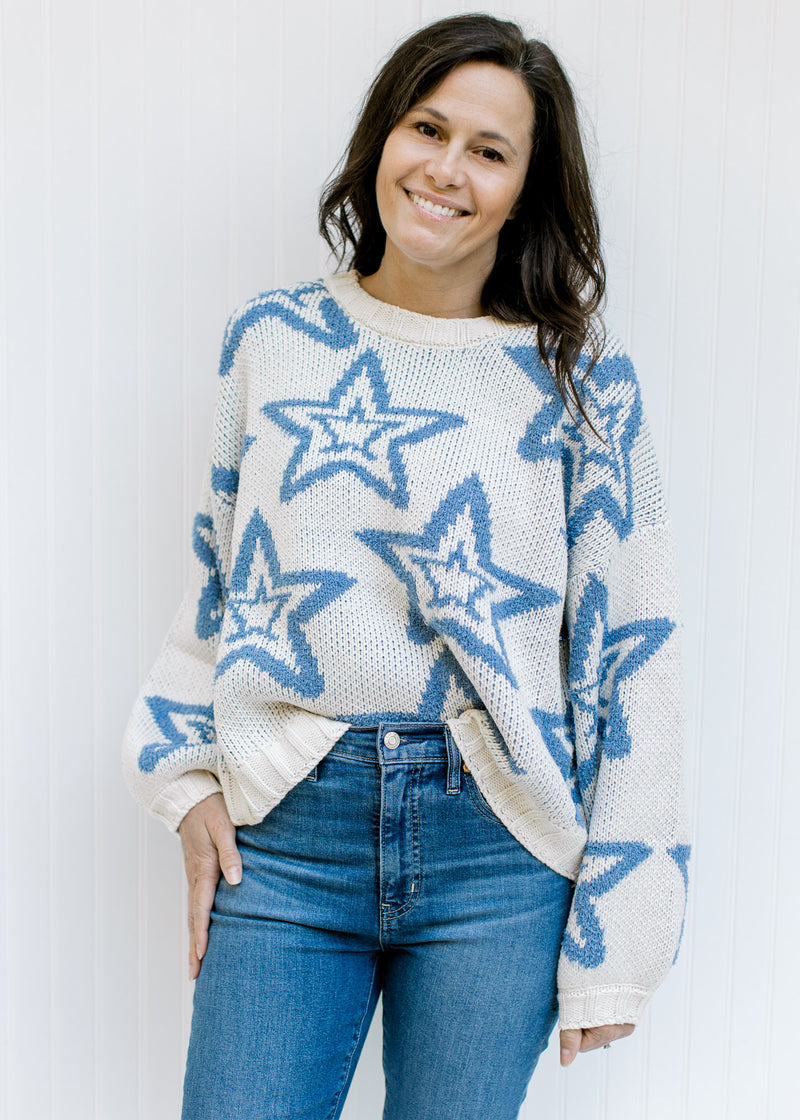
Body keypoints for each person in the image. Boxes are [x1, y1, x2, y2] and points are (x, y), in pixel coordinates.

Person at [122, 12, 690, 1119]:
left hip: (500, 840)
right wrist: (183, 774)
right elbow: (219, 577)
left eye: (488, 149)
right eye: (425, 128)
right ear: (381, 137)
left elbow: (637, 647)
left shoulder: (578, 375)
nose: (444, 169)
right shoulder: (271, 339)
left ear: (526, 187)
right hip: (285, 833)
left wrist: (623, 927)